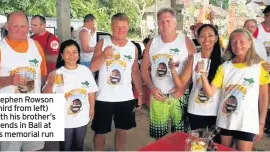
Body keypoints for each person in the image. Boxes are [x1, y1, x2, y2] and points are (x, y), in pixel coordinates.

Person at [201, 28, 269, 150]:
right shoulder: (225, 67)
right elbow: (210, 92)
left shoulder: (260, 66)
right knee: (225, 149)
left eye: (242, 42)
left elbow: (263, 97)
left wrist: (261, 123)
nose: (237, 45)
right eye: (233, 42)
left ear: (249, 43)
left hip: (247, 122)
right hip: (226, 120)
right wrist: (202, 75)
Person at [0, 11, 47, 151]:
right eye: (15, 26)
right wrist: (9, 80)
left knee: (34, 148)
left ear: (28, 27)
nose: (20, 30)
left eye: (23, 26)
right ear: (7, 26)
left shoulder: (36, 46)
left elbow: (42, 76)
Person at [90, 13, 143, 151]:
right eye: (117, 27)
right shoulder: (102, 43)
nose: (120, 30)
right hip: (103, 97)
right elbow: (92, 67)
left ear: (128, 27)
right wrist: (103, 56)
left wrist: (140, 94)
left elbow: (135, 71)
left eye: (124, 27)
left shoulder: (133, 47)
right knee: (100, 132)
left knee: (122, 130)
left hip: (125, 97)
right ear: (111, 27)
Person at [141, 8, 196, 139]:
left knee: (181, 135)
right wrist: (151, 88)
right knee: (159, 136)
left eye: (168, 21)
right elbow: (144, 69)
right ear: (157, 24)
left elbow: (194, 67)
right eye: (161, 21)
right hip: (158, 94)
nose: (164, 24)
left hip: (180, 95)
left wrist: (184, 87)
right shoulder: (152, 43)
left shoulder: (186, 41)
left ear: (175, 22)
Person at [43, 39, 98, 151]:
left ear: (78, 54)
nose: (71, 55)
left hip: (82, 116)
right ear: (62, 55)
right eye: (67, 52)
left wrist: (92, 108)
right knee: (65, 147)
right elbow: (46, 95)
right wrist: (50, 83)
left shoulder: (85, 71)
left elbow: (91, 91)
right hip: (64, 118)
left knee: (79, 146)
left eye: (74, 52)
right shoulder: (56, 73)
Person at [169, 24, 222, 130]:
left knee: (215, 145)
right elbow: (181, 84)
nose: (206, 39)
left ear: (216, 38)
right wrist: (172, 70)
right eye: (202, 36)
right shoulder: (193, 58)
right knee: (196, 144)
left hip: (216, 111)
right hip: (196, 110)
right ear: (197, 38)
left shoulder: (224, 60)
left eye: (210, 35)